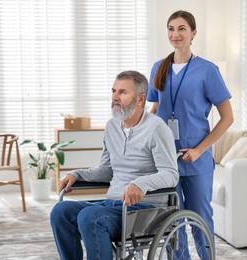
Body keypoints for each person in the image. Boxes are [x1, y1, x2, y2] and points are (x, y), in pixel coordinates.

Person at [50, 70, 179, 260]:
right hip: (114, 204)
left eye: (122, 92)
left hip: (144, 209)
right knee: (60, 211)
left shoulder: (157, 129)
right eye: (114, 91)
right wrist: (77, 175)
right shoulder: (112, 126)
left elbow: (170, 174)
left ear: (140, 99)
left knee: (90, 217)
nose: (115, 97)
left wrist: (140, 184)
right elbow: (107, 169)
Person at [147, 10, 234, 259]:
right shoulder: (158, 67)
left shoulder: (207, 70)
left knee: (199, 218)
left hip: (195, 158)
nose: (176, 34)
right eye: (171, 29)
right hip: (165, 158)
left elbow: (228, 118)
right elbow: (155, 110)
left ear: (193, 33)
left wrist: (200, 149)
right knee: (171, 220)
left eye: (182, 28)